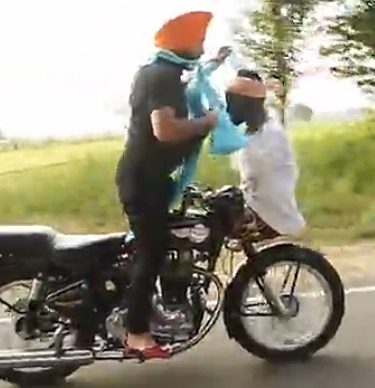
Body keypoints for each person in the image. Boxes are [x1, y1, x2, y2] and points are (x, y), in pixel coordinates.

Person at [114, 10, 230, 360]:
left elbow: (190, 83)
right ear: (183, 44)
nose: (202, 46)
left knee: (160, 244)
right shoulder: (161, 76)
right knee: (153, 250)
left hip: (150, 177)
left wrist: (215, 62)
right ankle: (136, 332)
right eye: (199, 42)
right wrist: (205, 123)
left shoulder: (160, 71)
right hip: (144, 179)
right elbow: (165, 130)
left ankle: (156, 308)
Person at [225, 69, 306, 240]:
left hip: (269, 210)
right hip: (260, 204)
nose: (229, 110)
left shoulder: (270, 135)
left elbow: (268, 184)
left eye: (233, 103)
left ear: (247, 105)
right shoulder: (254, 132)